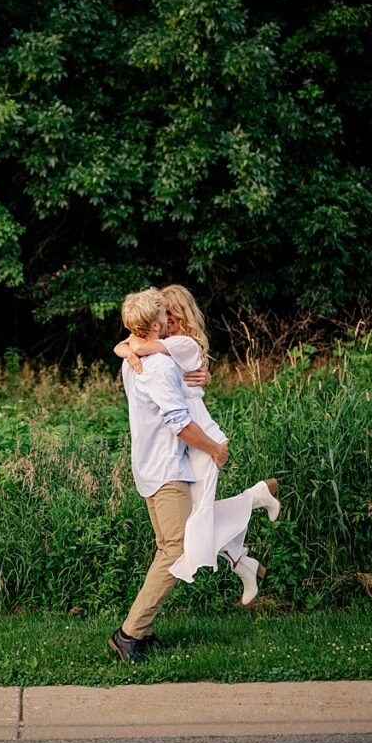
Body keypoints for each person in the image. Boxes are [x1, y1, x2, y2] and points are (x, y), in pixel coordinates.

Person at [115, 284, 280, 605]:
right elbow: (133, 344)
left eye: (169, 314)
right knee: (195, 521)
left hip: (201, 439)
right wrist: (128, 347)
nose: (166, 319)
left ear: (177, 316)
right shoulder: (167, 345)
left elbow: (139, 345)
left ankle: (248, 533)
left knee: (197, 522)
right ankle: (245, 548)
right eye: (163, 314)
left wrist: (129, 347)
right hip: (190, 442)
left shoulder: (182, 344)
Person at [108, 287, 230, 664]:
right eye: (164, 313)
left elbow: (178, 362)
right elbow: (180, 424)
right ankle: (129, 634)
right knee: (177, 551)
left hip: (149, 467)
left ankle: (139, 633)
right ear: (156, 322)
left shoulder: (136, 360)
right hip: (167, 470)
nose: (169, 318)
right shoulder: (157, 365)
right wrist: (214, 447)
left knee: (168, 548)